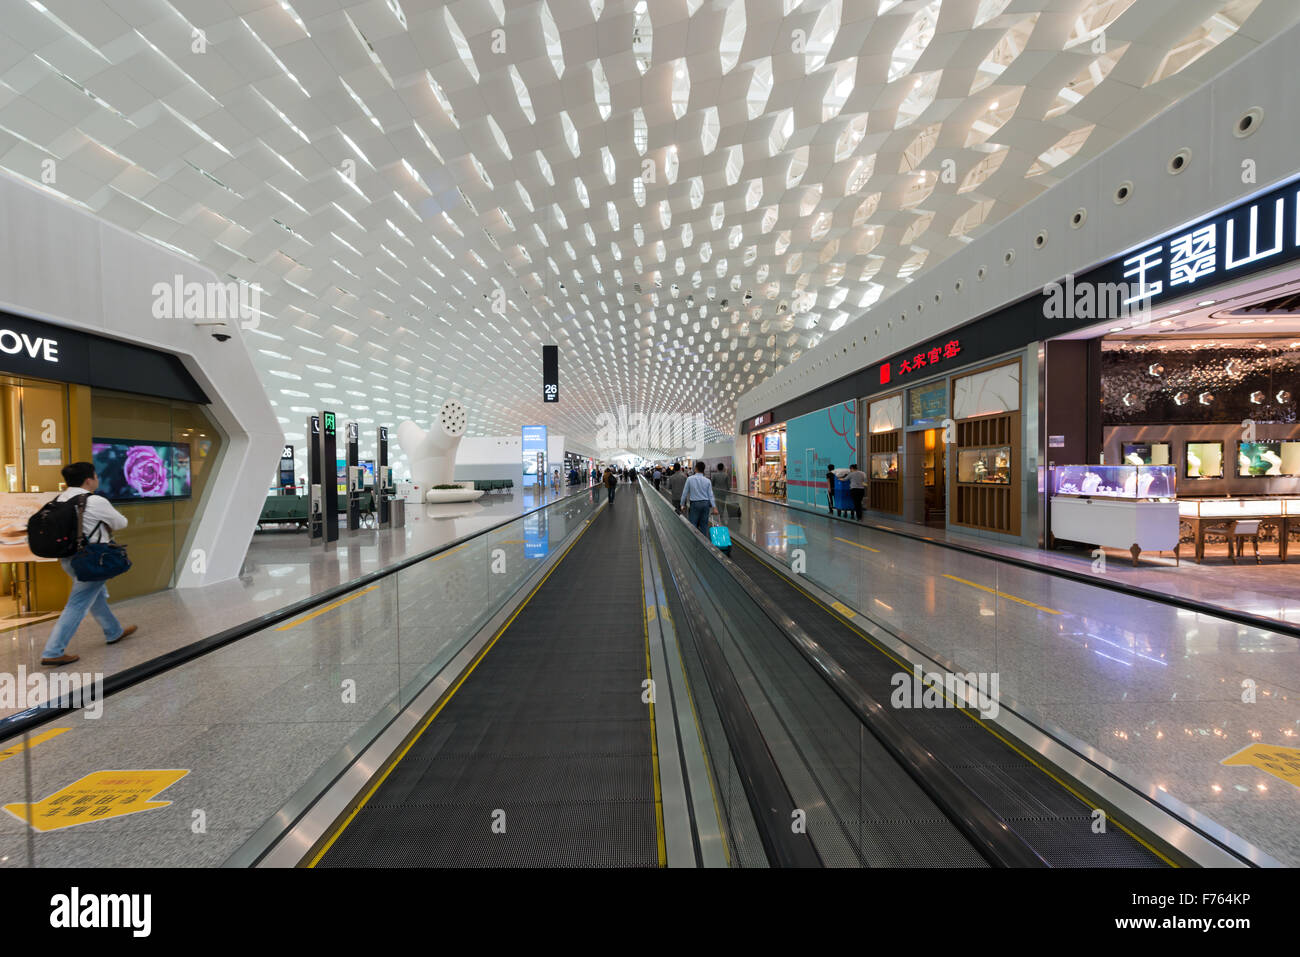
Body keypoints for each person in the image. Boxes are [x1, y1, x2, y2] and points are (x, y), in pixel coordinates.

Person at [39, 461, 136, 666]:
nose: (97, 479)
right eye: (95, 475)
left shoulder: (60, 499)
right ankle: (53, 650)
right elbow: (121, 523)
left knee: (96, 595)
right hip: (92, 559)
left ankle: (113, 631)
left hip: (67, 559)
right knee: (79, 603)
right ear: (88, 480)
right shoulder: (94, 501)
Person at [681, 461, 719, 534]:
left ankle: (695, 541)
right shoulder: (707, 481)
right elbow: (711, 495)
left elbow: (684, 493)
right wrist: (714, 507)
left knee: (693, 524)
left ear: (695, 469)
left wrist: (682, 504)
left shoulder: (690, 479)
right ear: (703, 469)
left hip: (695, 504)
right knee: (704, 524)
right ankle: (704, 542)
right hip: (705, 504)